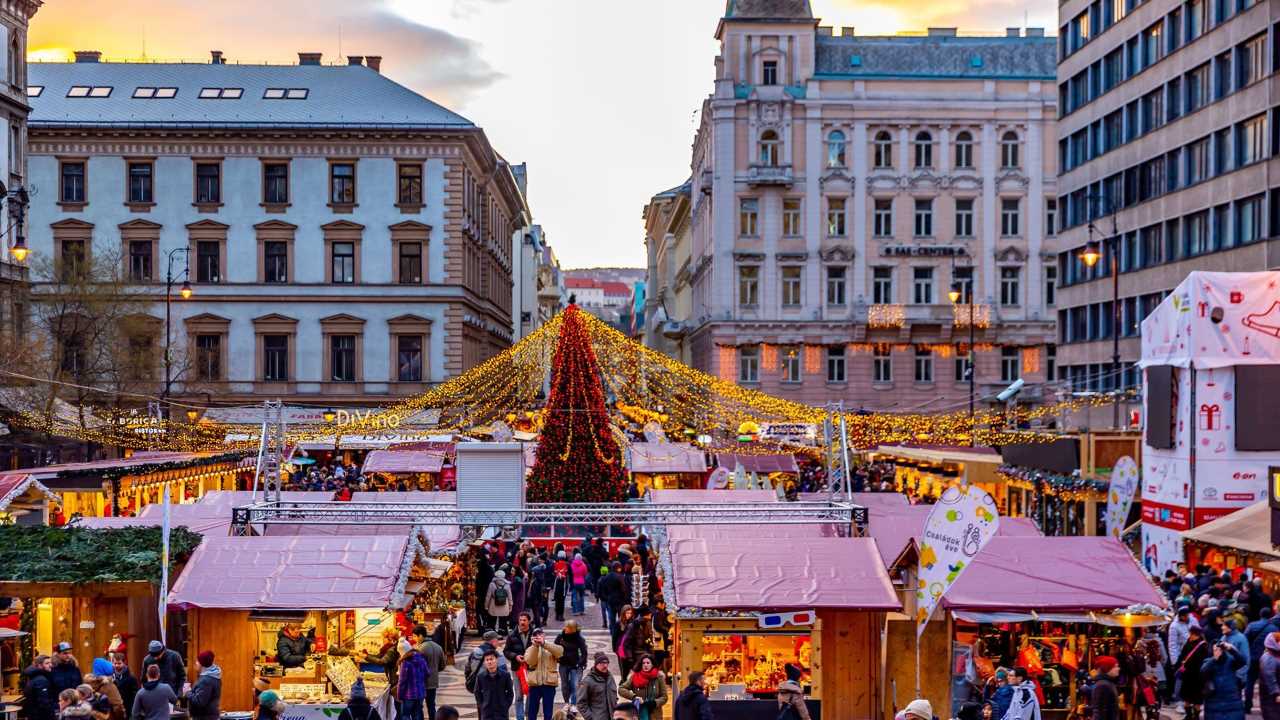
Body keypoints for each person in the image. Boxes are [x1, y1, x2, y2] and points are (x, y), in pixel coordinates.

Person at [1200, 639, 1246, 720]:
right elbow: (1203, 671)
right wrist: (1214, 659)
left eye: (1220, 649)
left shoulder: (1230, 661)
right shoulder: (1208, 661)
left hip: (1231, 700)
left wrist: (1231, 649)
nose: (1218, 652)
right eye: (1215, 650)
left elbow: (1242, 661)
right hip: (1214, 702)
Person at [525, 627, 563, 720]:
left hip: (549, 684)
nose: (538, 637)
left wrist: (544, 644)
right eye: (535, 635)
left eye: (540, 635)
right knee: (532, 712)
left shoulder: (551, 646)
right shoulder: (530, 649)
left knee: (548, 713)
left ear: (544, 635)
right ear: (532, 638)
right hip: (535, 684)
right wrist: (535, 646)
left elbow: (560, 652)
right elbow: (530, 661)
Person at [1246, 609, 1279, 713]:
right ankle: (1270, 704)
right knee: (1268, 681)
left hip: (1253, 657)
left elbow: (1245, 638)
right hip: (1269, 657)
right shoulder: (1274, 628)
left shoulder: (1252, 625)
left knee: (1250, 681)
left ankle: (1247, 705)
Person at [1178, 626, 1212, 720]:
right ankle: (1188, 715)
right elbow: (1182, 655)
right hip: (1188, 676)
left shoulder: (1203, 645)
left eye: (1191, 633)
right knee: (1187, 698)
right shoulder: (1189, 642)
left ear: (1195, 634)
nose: (1190, 635)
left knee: (1197, 699)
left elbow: (1204, 661)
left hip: (1198, 677)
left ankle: (1196, 716)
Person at [619, 654, 667, 720]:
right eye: (643, 663)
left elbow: (664, 697)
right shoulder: (635, 676)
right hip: (638, 713)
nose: (645, 665)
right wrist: (634, 697)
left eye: (648, 663)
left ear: (652, 664)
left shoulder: (659, 677)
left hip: (655, 715)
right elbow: (621, 689)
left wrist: (654, 703)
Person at [413, 625, 446, 720]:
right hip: (433, 682)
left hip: (422, 682)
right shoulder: (438, 647)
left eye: (415, 636)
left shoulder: (420, 649)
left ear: (420, 636)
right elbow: (442, 665)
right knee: (431, 706)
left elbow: (416, 667)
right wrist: (434, 671)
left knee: (419, 706)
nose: (414, 639)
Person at [473, 650, 514, 720]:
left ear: (496, 660)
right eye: (487, 660)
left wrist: (506, 705)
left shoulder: (505, 675)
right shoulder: (481, 676)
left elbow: (510, 693)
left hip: (502, 713)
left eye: (491, 659)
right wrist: (482, 705)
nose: (489, 662)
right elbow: (477, 692)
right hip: (487, 713)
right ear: (484, 662)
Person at [556, 620, 589, 706]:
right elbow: (554, 648)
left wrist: (580, 664)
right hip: (563, 664)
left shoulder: (579, 639)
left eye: (566, 627)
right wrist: (558, 658)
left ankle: (573, 705)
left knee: (575, 686)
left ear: (571, 629)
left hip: (575, 665)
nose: (564, 628)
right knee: (564, 686)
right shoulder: (560, 637)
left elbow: (584, 653)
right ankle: (567, 703)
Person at [578, 653, 619, 720]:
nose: (605, 666)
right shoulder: (587, 681)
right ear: (596, 664)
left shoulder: (610, 678)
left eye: (607, 663)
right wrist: (590, 717)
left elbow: (614, 696)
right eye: (602, 663)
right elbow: (581, 703)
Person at [398, 638, 430, 720]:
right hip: (420, 693)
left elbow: (402, 681)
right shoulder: (421, 659)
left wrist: (399, 696)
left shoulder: (405, 663)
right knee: (417, 715)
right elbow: (427, 673)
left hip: (408, 695)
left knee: (405, 715)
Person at [186, 650, 221, 720]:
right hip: (211, 716)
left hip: (204, 717)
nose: (196, 663)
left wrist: (188, 692)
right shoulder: (214, 676)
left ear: (202, 664)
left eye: (197, 661)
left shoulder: (205, 680)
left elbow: (200, 702)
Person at [22, 656, 57, 720]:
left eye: (50, 663)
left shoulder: (34, 677)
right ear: (39, 666)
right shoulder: (41, 680)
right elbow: (44, 703)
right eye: (47, 663)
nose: (51, 665)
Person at [1259, 632, 1280, 720]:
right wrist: (1277, 693)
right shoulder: (1269, 658)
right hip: (1271, 697)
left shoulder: (1275, 655)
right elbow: (1270, 677)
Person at [486, 570, 514, 634]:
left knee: (492, 619)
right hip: (504, 604)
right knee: (503, 619)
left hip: (493, 605)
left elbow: (488, 596)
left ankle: (492, 631)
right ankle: (503, 631)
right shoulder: (507, 585)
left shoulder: (492, 584)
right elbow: (510, 596)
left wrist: (486, 606)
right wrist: (511, 605)